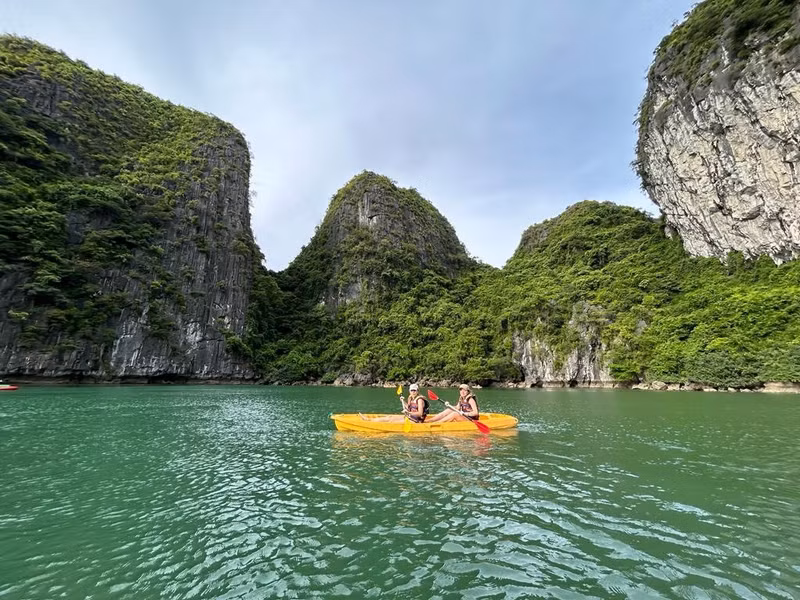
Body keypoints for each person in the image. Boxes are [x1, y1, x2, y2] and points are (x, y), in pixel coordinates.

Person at [362, 383, 429, 422]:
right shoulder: (410, 398)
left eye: (415, 390)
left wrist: (408, 413)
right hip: (409, 418)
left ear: (417, 391)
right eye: (412, 390)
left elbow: (420, 414)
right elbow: (408, 408)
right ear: (409, 391)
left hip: (415, 421)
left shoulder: (420, 400)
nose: (413, 392)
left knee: (390, 419)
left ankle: (369, 420)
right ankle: (369, 420)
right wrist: (403, 401)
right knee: (389, 417)